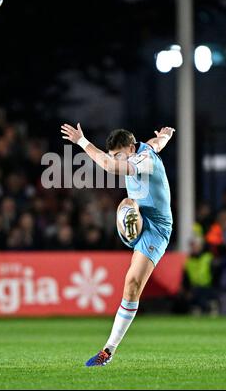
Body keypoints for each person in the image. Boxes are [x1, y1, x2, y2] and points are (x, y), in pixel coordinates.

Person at [61, 122, 175, 366]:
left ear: (131, 148)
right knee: (128, 204)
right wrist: (165, 135)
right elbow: (157, 143)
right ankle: (129, 232)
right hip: (139, 217)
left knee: (132, 285)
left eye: (120, 155)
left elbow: (109, 166)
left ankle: (107, 351)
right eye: (115, 155)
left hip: (156, 229)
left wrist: (82, 141)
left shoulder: (145, 160)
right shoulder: (145, 148)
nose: (118, 160)